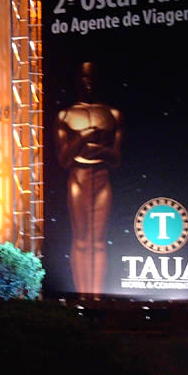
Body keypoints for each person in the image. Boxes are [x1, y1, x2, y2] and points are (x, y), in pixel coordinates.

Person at [55, 62, 122, 298]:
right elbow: (64, 159)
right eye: (84, 77)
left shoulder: (112, 114)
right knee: (82, 240)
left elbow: (116, 159)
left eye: (92, 77)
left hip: (102, 177)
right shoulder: (65, 115)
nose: (88, 83)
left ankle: (97, 296)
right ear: (77, 80)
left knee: (99, 241)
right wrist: (84, 137)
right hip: (79, 177)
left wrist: (97, 149)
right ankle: (83, 295)